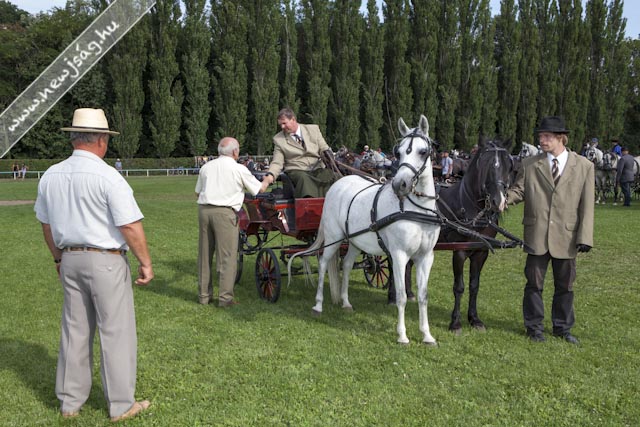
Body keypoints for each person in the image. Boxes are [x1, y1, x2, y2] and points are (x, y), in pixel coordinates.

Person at [34, 108, 153, 421]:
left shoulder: (51, 175)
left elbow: (46, 224)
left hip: (70, 257)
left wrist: (58, 257)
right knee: (116, 331)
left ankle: (70, 402)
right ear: (101, 140)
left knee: (74, 330)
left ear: (73, 138)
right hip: (106, 260)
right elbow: (129, 225)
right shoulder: (108, 176)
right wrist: (145, 262)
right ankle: (121, 404)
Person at [506, 116, 594, 345]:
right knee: (533, 284)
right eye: (540, 136)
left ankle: (562, 328)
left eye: (546, 136)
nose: (541, 140)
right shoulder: (530, 164)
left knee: (565, 286)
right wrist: (503, 200)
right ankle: (534, 328)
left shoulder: (584, 166)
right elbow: (519, 190)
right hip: (536, 235)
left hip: (567, 236)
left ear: (560, 138)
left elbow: (587, 205)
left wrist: (585, 237)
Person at [195, 137, 269, 306]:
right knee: (227, 256)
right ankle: (225, 298)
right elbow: (259, 189)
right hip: (225, 213)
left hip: (204, 210)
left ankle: (204, 296)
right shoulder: (239, 169)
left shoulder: (206, 167)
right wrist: (268, 179)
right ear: (235, 152)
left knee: (205, 254)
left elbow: (197, 192)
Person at [261, 108, 338, 198]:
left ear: (293, 119)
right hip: (297, 170)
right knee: (304, 179)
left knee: (333, 176)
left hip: (317, 168)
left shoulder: (313, 129)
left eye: (284, 123)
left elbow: (323, 147)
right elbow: (277, 162)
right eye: (280, 124)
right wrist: (270, 176)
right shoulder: (279, 139)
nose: (282, 127)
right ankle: (309, 205)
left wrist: (328, 154)